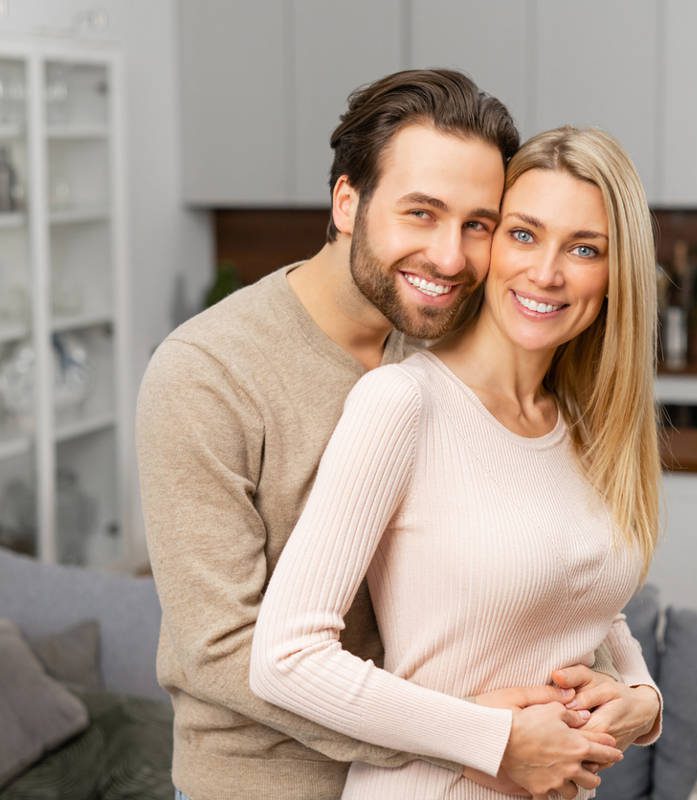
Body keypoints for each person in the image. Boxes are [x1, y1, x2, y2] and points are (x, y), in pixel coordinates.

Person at [137, 67, 652, 800]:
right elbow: (221, 649)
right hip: (265, 783)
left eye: (478, 223)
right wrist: (470, 736)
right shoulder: (206, 373)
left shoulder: (450, 340)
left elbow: (539, 555)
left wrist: (634, 693)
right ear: (347, 201)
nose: (450, 258)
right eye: (421, 214)